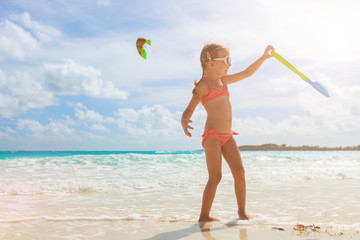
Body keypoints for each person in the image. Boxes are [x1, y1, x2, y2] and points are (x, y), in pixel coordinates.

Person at [181, 43, 274, 222]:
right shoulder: (203, 86)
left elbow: (247, 73)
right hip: (212, 136)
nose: (230, 64)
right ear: (210, 63)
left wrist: (263, 57)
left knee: (239, 172)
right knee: (215, 177)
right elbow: (188, 110)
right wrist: (184, 120)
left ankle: (241, 212)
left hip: (228, 135)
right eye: (226, 60)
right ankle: (204, 216)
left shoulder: (224, 81)